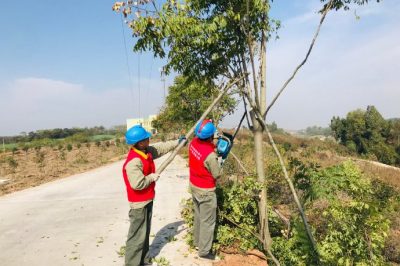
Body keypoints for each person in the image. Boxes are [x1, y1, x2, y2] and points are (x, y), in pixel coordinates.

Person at [122, 125, 182, 266]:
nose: (149, 139)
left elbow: (160, 148)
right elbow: (137, 184)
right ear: (140, 142)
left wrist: (177, 142)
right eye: (146, 138)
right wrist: (151, 178)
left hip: (147, 199)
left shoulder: (146, 151)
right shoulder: (134, 161)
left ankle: (143, 260)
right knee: (136, 237)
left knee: (144, 234)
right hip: (139, 204)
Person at [188, 119, 223, 259]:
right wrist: (219, 160)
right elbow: (217, 174)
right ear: (210, 137)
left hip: (194, 186)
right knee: (207, 221)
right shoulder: (210, 155)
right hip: (206, 191)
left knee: (198, 216)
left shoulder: (193, 143)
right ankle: (204, 252)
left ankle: (197, 242)